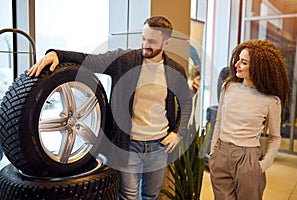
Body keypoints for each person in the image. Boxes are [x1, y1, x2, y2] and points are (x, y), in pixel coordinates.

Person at [27, 16, 192, 200]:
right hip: (128, 145)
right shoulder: (124, 60)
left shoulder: (176, 70)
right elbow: (90, 60)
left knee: (151, 195)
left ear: (166, 42)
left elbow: (185, 101)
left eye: (152, 41)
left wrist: (177, 132)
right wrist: (57, 54)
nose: (145, 44)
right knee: (128, 195)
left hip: (159, 146)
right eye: (143, 38)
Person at [209, 39, 290, 200]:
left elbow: (275, 138)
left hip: (248, 158)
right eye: (238, 59)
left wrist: (262, 166)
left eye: (244, 62)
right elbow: (219, 120)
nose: (237, 64)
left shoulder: (271, 101)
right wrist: (213, 152)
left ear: (258, 68)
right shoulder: (228, 87)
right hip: (221, 154)